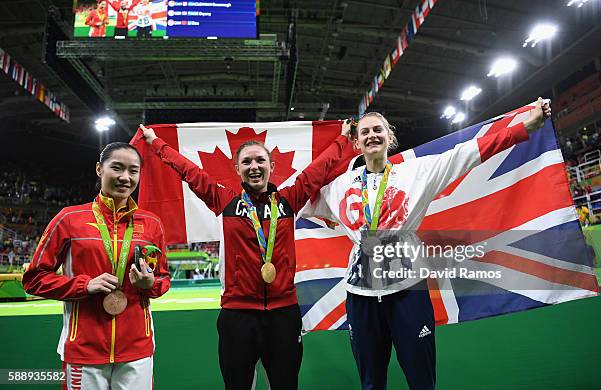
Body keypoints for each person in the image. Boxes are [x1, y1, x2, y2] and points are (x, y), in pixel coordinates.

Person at [303, 98, 552, 390]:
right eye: (365, 132)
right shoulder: (339, 187)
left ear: (389, 137)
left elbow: (468, 153)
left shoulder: (417, 172)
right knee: (371, 382)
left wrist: (525, 126)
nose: (372, 135)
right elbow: (297, 194)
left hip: (408, 291)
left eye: (378, 130)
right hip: (360, 294)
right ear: (356, 144)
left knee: (421, 380)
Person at [139, 122, 352, 390]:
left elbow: (318, 170)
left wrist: (343, 139)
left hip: (283, 314)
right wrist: (156, 143)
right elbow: (189, 171)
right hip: (237, 315)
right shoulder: (225, 201)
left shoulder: (288, 200)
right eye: (247, 161)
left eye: (260, 160)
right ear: (237, 169)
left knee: (286, 385)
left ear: (272, 167)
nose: (254, 166)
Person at [22, 142, 170, 390]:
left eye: (133, 171)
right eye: (117, 168)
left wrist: (150, 284)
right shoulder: (69, 219)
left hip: (137, 350)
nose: (125, 177)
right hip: (84, 349)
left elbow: (163, 279)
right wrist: (84, 285)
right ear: (100, 169)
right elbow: (34, 278)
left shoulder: (152, 224)